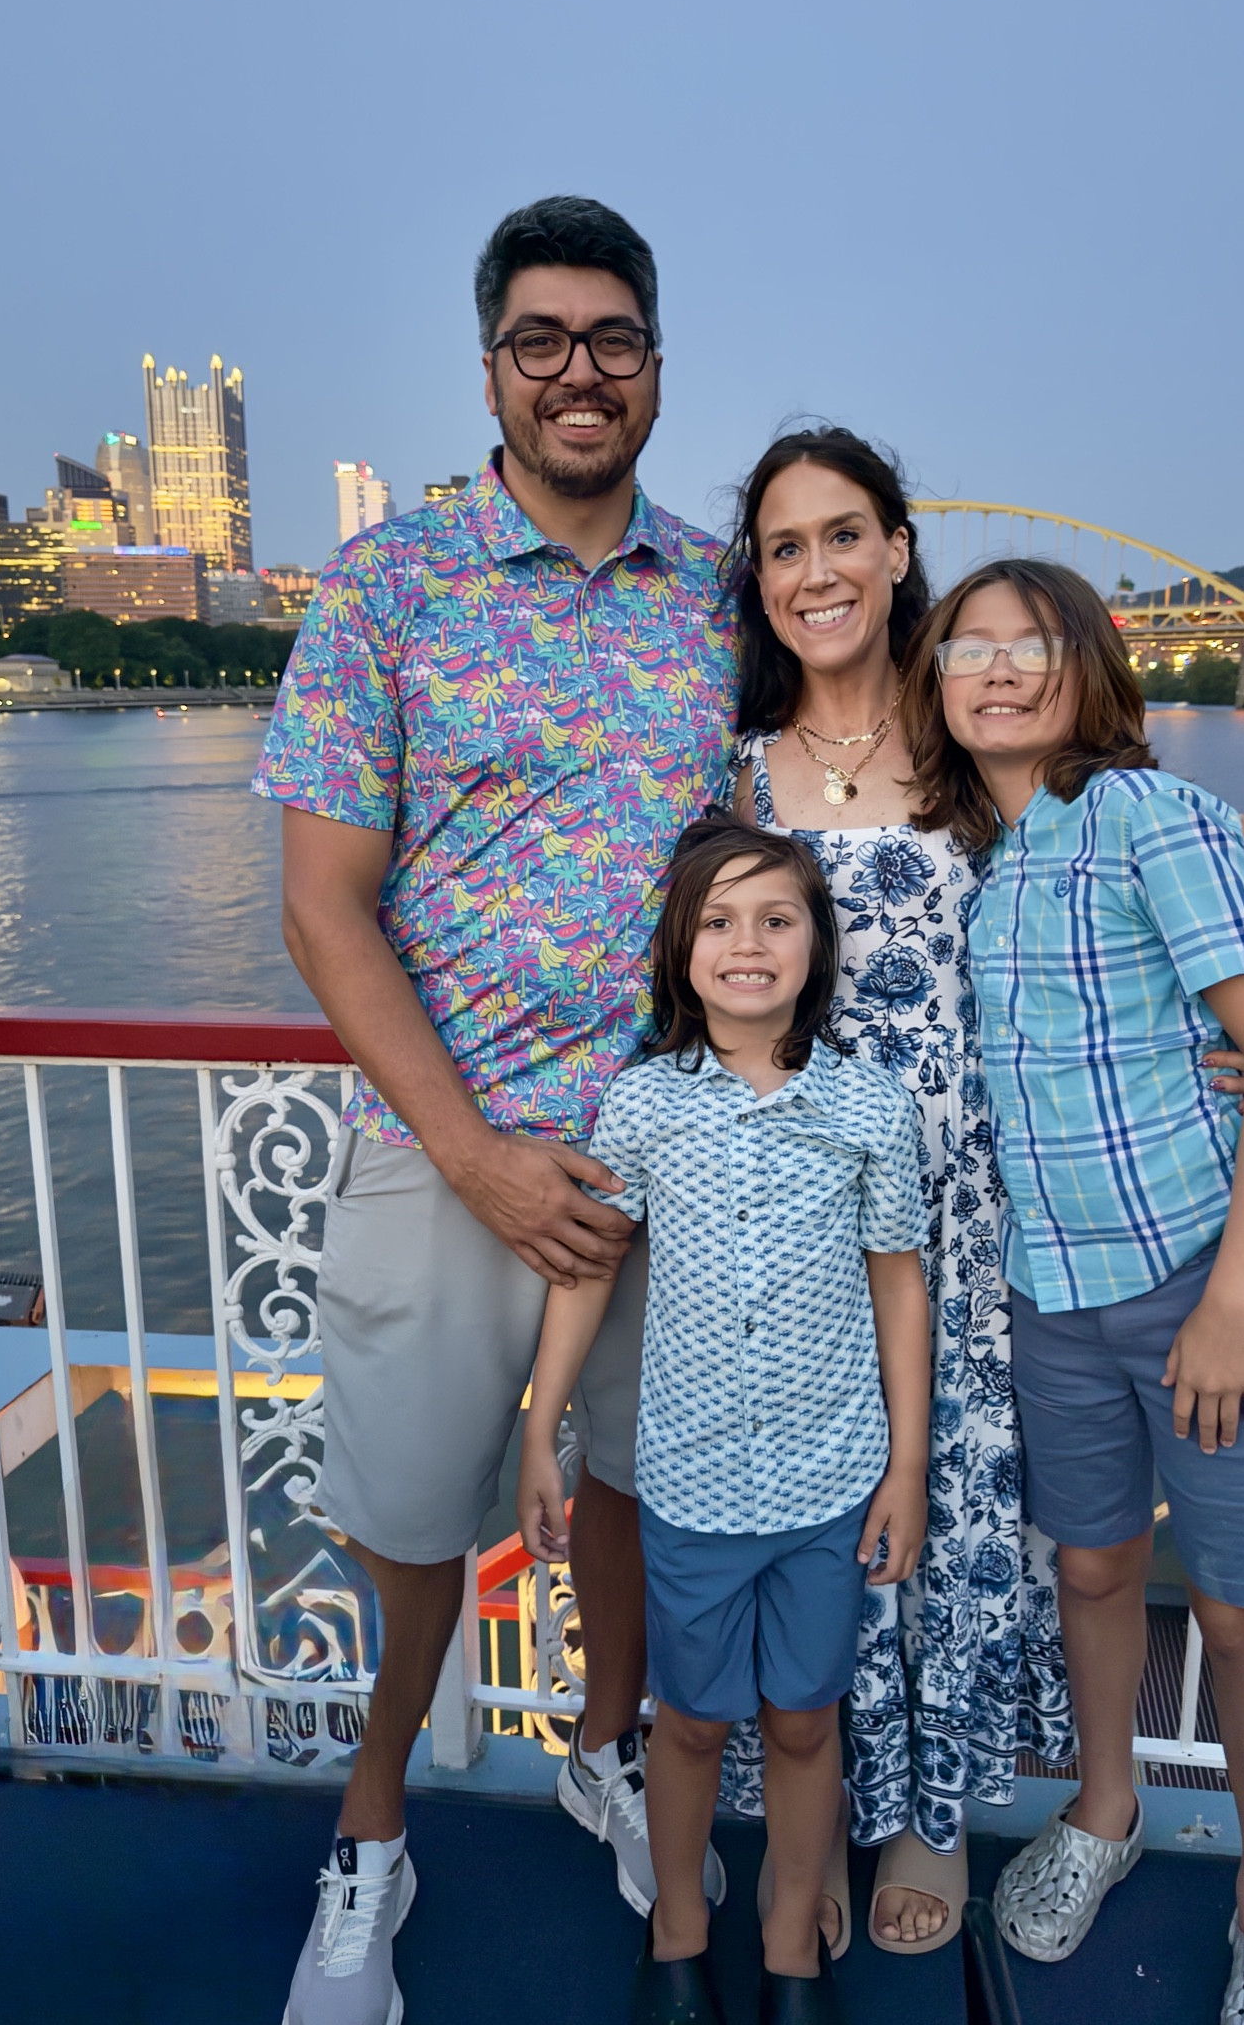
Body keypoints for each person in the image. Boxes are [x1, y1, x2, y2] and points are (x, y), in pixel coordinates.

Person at [254, 196, 738, 2025]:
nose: (578, 371)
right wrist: (471, 1151)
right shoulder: (389, 586)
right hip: (454, 1149)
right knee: (412, 1517)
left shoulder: (715, 592)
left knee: (627, 1498)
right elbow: (321, 901)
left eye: (611, 338)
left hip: (673, 1158)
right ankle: (369, 1836)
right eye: (540, 339)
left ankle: (600, 1747)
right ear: (489, 368)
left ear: (657, 367)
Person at [911, 558, 1244, 2025]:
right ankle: (1107, 1805)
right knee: (1088, 1569)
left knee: (1239, 1609)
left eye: (1032, 643)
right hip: (1047, 1293)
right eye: (966, 647)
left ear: (1089, 667)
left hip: (1184, 1281)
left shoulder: (1149, 815)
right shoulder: (971, 856)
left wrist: (1233, 1301)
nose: (999, 668)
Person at [726, 428, 1070, 1955]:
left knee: (946, 1496)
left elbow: (1094, 927)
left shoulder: (980, 754)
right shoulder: (730, 767)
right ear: (761, 575)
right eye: (787, 545)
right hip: (791, 1212)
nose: (819, 570)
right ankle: (824, 1798)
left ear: (896, 551)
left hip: (961, 1202)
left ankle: (932, 1811)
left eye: (845, 535)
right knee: (812, 1504)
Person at [518, 814, 931, 2025]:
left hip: (830, 1476)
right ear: (679, 949)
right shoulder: (642, 1105)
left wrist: (904, 1464)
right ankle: (679, 1932)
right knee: (690, 1722)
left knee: (806, 1718)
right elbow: (589, 1269)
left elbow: (898, 1281)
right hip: (692, 1479)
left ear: (816, 943)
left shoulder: (869, 1106)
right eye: (718, 921)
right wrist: (545, 1428)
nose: (747, 944)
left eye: (777, 917)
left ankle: (792, 1947)